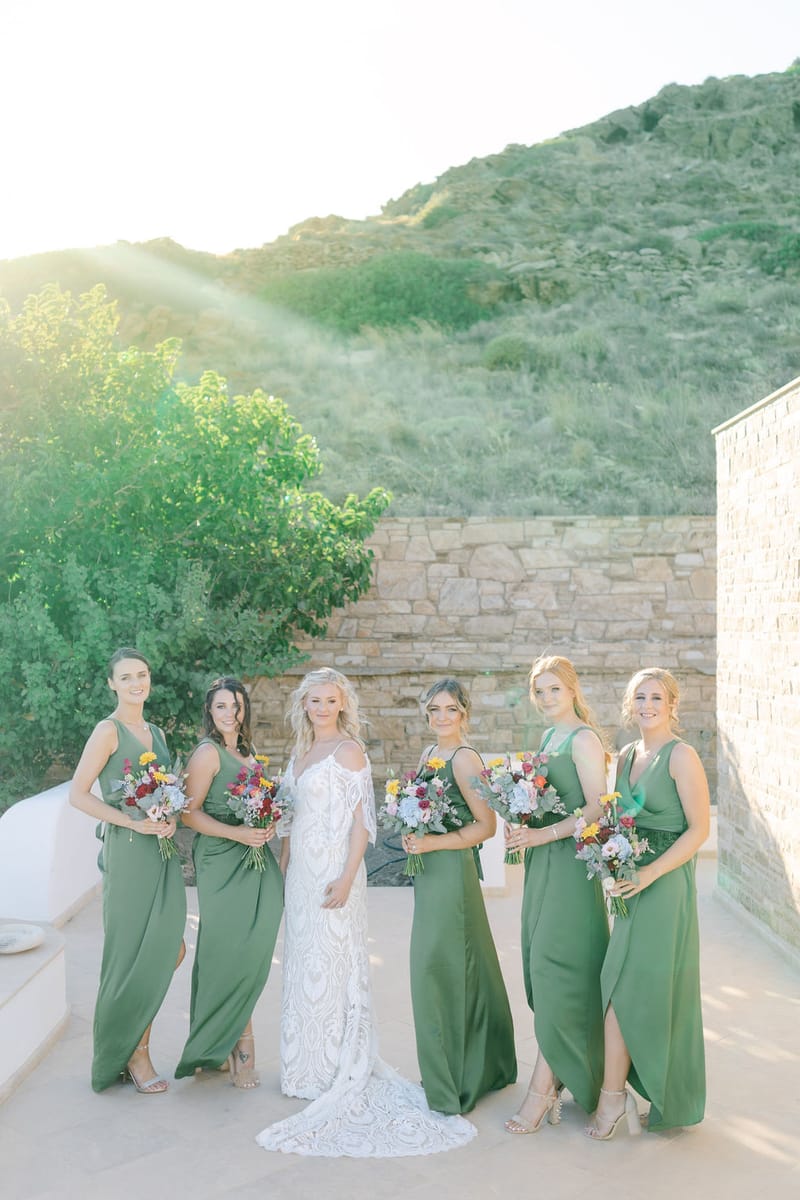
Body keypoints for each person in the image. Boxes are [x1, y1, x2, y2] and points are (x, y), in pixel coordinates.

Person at [256, 668, 475, 1157]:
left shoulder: (349, 751)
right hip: (301, 874)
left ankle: (336, 1067)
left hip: (336, 872)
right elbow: (290, 817)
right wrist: (284, 864)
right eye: (315, 700)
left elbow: (362, 823)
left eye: (330, 700)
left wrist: (348, 876)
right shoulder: (299, 751)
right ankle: (305, 1068)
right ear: (304, 704)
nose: (322, 708)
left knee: (333, 964)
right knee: (304, 962)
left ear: (342, 705)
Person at [586, 667, 709, 1138]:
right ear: (629, 704)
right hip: (629, 883)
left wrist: (652, 872)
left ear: (672, 705)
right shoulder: (624, 756)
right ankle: (618, 1093)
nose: (647, 706)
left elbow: (699, 830)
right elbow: (616, 821)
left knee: (639, 989)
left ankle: (614, 1098)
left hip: (665, 884)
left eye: (656, 697)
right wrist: (610, 861)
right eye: (640, 697)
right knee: (617, 984)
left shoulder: (682, 756)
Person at [69, 647, 186, 1093]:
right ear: (112, 684)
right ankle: (133, 1054)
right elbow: (79, 794)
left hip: (161, 852)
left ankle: (130, 1045)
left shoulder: (156, 732)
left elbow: (164, 794)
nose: (137, 683)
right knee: (131, 955)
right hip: (129, 852)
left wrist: (169, 818)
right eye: (126, 677)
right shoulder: (108, 731)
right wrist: (132, 821)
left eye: (142, 674)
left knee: (170, 949)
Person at [503, 655, 609, 1133]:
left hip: (570, 865)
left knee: (558, 968)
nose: (546, 698)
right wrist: (521, 819)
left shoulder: (584, 739)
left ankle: (542, 1089)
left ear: (572, 689)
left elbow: (598, 809)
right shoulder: (549, 737)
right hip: (543, 862)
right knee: (540, 962)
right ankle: (558, 1071)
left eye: (554, 689)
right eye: (539, 691)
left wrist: (543, 834)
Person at [403, 678, 517, 1116]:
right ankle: (447, 1065)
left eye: (450, 709)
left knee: (447, 965)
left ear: (464, 713)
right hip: (428, 872)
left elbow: (486, 826)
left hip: (452, 872)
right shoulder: (429, 754)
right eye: (434, 709)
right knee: (433, 967)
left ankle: (462, 1073)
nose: (442, 717)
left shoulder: (465, 759)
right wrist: (412, 831)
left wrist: (432, 842)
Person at [175, 677, 283, 1087]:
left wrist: (265, 824)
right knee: (226, 952)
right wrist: (238, 833)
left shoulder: (248, 753)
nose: (229, 713)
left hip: (255, 859)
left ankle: (221, 1044)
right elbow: (188, 813)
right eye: (221, 706)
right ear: (210, 710)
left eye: (236, 706)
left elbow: (257, 806)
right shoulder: (207, 753)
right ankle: (239, 1051)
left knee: (252, 950)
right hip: (221, 859)